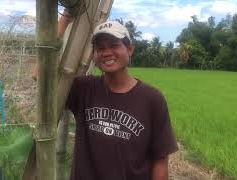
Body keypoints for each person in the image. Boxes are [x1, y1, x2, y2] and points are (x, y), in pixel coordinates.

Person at [66, 20, 178, 180]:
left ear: (130, 49)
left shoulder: (152, 99)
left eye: (113, 45)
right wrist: (66, 16)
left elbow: (160, 159)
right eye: (100, 48)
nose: (106, 52)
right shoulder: (84, 89)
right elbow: (40, 77)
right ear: (94, 54)